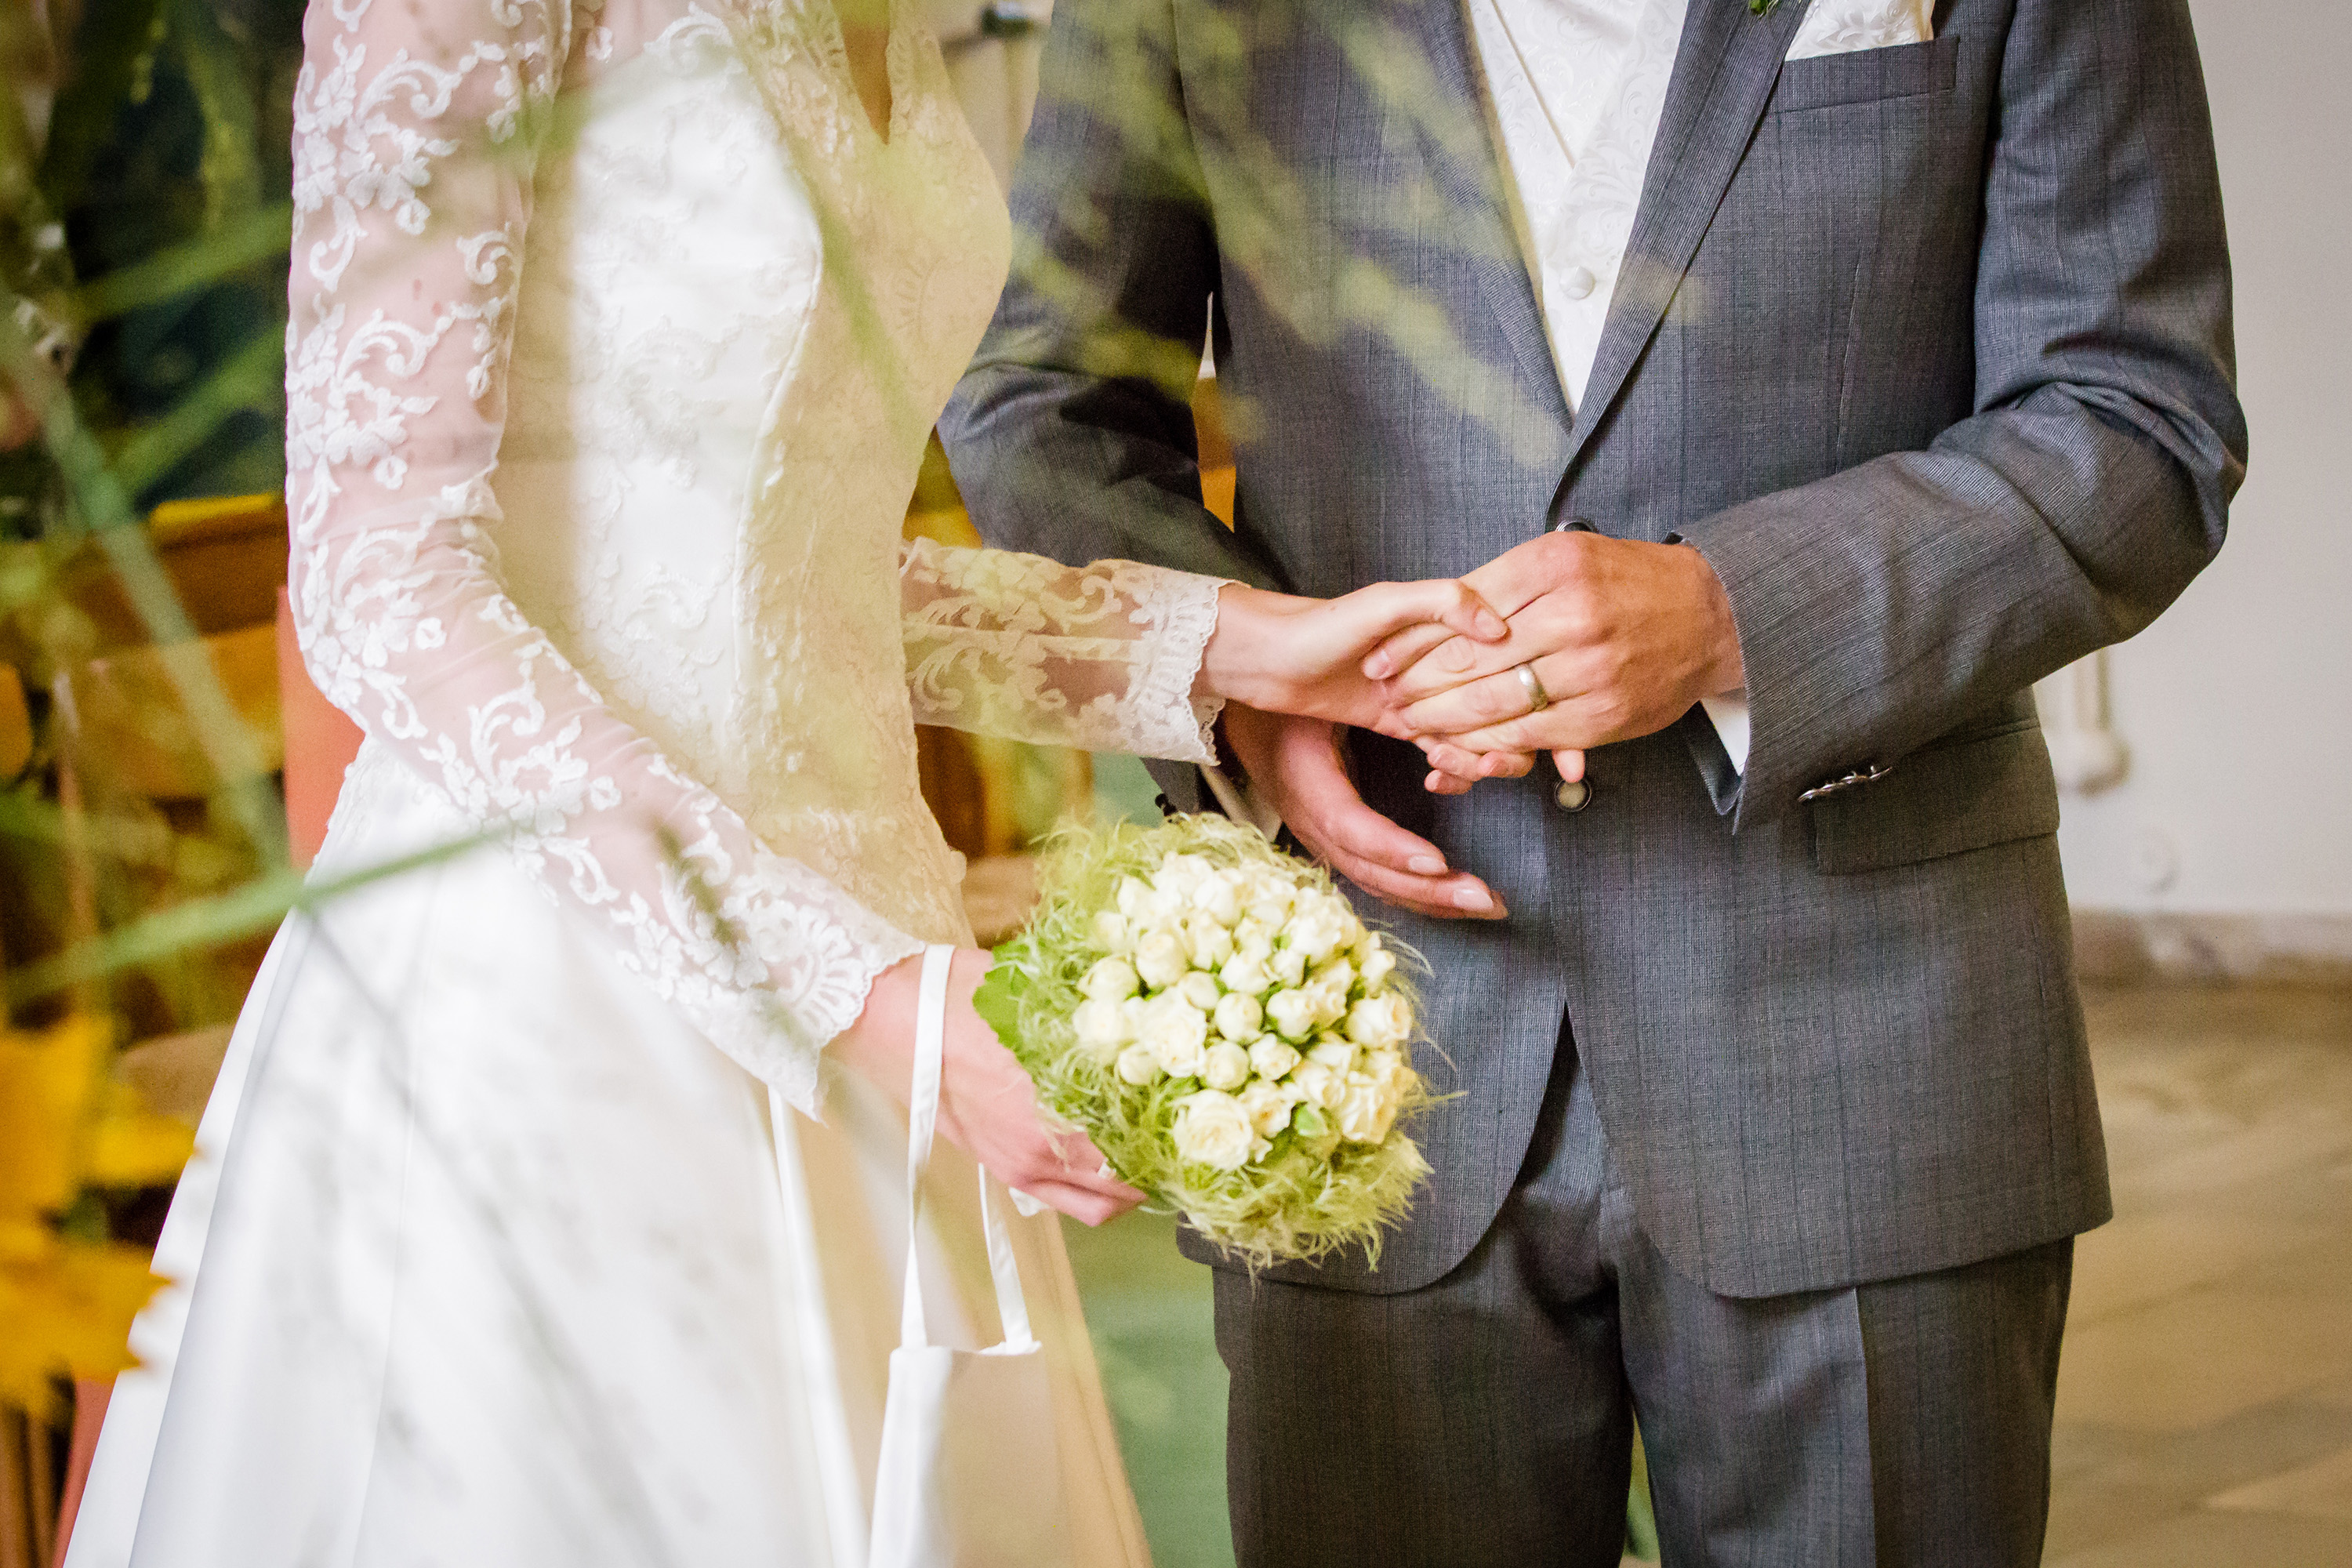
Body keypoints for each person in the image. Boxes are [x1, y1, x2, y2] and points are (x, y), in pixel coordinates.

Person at [60, 2, 1509, 1563]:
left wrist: (1234, 648)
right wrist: (876, 1005)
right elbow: (382, 591)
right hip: (551, 995)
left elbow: (774, 573)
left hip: (881, 948)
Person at [939, 0, 2247, 1562]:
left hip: (1868, 1048)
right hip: (1347, 1040)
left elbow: (2139, 420)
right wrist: (1252, 693)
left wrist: (1732, 613)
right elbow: (1041, 404)